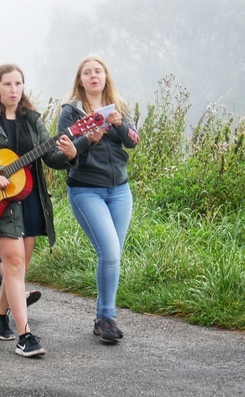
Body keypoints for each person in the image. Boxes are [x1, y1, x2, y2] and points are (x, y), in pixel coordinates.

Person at [0, 64, 76, 357]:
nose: (13, 89)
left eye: (18, 84)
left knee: (17, 268)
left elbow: (51, 157)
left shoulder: (33, 120)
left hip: (30, 199)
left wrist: (71, 155)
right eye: (7, 84)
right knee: (15, 263)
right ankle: (26, 336)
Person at [58, 55, 139, 344]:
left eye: (99, 71)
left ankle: (103, 318)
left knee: (112, 256)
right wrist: (87, 141)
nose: (94, 76)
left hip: (120, 190)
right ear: (80, 80)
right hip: (86, 189)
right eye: (87, 72)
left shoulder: (117, 107)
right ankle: (107, 317)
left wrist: (118, 125)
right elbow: (62, 152)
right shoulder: (70, 112)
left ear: (106, 76)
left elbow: (132, 140)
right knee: (110, 251)